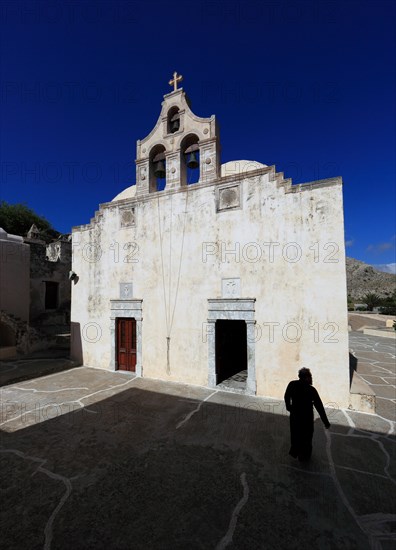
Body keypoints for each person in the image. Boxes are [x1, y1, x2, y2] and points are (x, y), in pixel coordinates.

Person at [284, 367, 330, 461]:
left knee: (296, 435)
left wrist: (289, 407)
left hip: (295, 416)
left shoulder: (292, 384)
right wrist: (326, 422)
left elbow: (286, 396)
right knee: (306, 438)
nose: (312, 379)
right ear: (306, 377)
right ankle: (304, 457)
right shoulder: (311, 390)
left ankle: (296, 452)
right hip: (306, 418)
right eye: (310, 377)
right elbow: (319, 406)